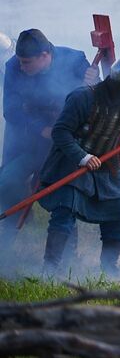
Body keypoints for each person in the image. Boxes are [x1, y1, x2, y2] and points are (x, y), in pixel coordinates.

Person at [37, 53, 120, 275]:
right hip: (71, 163)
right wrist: (83, 157)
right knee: (64, 213)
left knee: (119, 214)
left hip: (106, 165)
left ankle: (109, 269)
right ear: (119, 86)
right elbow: (61, 133)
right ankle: (50, 269)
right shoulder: (82, 98)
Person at [1, 29, 96, 246]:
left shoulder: (76, 60)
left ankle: (67, 252)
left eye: (27, 63)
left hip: (64, 147)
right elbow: (11, 110)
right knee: (7, 181)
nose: (22, 68)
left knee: (63, 193)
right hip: (29, 144)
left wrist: (94, 81)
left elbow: (94, 100)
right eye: (21, 62)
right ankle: (12, 228)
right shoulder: (13, 67)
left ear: (45, 56)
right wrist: (41, 129)